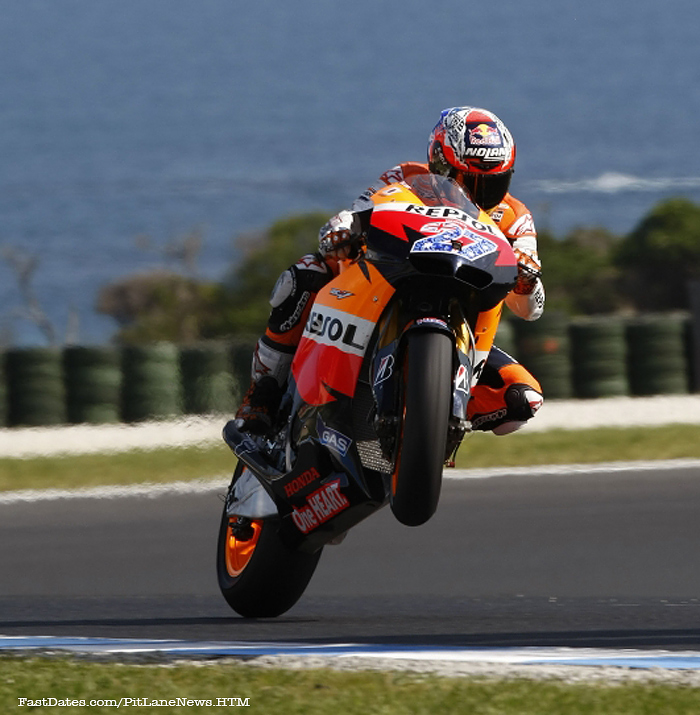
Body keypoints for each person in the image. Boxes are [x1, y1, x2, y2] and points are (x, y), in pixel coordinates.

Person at [234, 106, 545, 437]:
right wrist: (344, 231)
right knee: (305, 273)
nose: (480, 195)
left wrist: (527, 282)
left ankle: (435, 422)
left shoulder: (515, 217)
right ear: (441, 164)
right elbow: (352, 218)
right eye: (470, 182)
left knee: (523, 398)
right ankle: (262, 395)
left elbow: (531, 310)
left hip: (463, 330)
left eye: (494, 183)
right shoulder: (406, 178)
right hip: (389, 294)